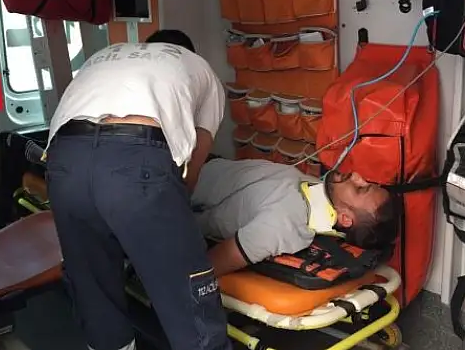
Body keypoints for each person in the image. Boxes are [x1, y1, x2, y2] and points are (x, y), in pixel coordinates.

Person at [45, 30, 231, 350]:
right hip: (135, 155)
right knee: (188, 294)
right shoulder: (199, 68)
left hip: (65, 160)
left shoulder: (108, 54)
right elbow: (193, 165)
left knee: (94, 289)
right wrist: (171, 226)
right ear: (189, 52)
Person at [191, 158, 395, 277]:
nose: (357, 176)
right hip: (196, 163)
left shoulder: (284, 225)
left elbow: (207, 269)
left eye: (360, 189)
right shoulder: (315, 189)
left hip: (183, 191)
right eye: (366, 183)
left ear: (345, 219)